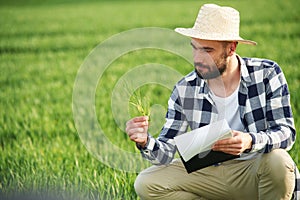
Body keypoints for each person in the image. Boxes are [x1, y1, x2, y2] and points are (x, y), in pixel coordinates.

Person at [125, 4, 299, 200]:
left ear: (231, 47)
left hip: (255, 170)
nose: (198, 58)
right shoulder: (185, 89)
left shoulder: (267, 74)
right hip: (210, 174)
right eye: (195, 48)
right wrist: (145, 141)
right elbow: (166, 151)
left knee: (279, 161)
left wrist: (249, 141)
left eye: (207, 50)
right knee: (146, 182)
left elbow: (286, 133)